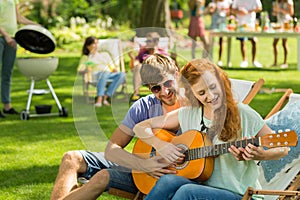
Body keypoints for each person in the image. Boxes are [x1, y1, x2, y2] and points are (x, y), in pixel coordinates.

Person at [133, 58, 290, 199]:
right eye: (201, 93)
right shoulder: (188, 113)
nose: (210, 96)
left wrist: (261, 155)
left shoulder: (242, 113)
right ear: (193, 94)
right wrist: (162, 145)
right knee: (168, 180)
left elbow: (282, 148)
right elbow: (141, 127)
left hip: (238, 193)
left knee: (186, 192)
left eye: (213, 87)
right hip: (201, 186)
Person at [50, 53, 181, 200]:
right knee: (71, 158)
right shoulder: (143, 106)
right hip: (141, 168)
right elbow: (111, 149)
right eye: (156, 88)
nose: (165, 92)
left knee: (102, 176)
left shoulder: (194, 104)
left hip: (171, 176)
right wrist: (144, 165)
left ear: (177, 74)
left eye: (168, 83)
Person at [0, 0, 38, 118]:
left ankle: (7, 106)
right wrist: (6, 36)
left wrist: (34, 25)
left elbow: (18, 18)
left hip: (12, 39)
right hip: (2, 38)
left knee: (7, 73)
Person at [78, 36, 126, 107]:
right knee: (104, 73)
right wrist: (85, 70)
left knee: (122, 75)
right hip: (94, 76)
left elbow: (112, 68)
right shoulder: (86, 57)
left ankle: (105, 97)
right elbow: (80, 70)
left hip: (108, 75)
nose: (96, 45)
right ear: (88, 46)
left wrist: (114, 70)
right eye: (94, 43)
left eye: (97, 43)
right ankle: (100, 99)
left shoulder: (105, 55)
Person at [128, 32, 169, 101]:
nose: (146, 43)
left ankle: (162, 94)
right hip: (145, 78)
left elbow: (169, 67)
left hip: (158, 77)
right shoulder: (143, 53)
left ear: (156, 42)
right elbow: (133, 67)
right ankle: (136, 95)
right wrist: (132, 59)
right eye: (146, 41)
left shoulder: (163, 53)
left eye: (149, 41)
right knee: (138, 67)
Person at [231, 0, 263, 68]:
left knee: (254, 41)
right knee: (242, 42)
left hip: (251, 24)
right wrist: (239, 12)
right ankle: (244, 61)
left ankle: (254, 61)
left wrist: (249, 12)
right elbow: (233, 9)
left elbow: (259, 8)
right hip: (241, 24)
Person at [208, 0, 232, 67]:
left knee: (221, 42)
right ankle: (210, 59)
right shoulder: (214, 2)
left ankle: (219, 60)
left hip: (222, 24)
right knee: (211, 42)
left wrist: (226, 10)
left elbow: (229, 13)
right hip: (214, 24)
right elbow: (211, 11)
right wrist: (216, 6)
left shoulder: (228, 2)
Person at [271, 0, 294, 69]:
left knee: (284, 43)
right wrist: (275, 11)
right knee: (274, 43)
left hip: (286, 24)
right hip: (279, 24)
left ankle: (285, 62)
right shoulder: (277, 2)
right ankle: (275, 62)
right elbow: (274, 13)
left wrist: (280, 10)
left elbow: (291, 13)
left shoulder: (289, 2)